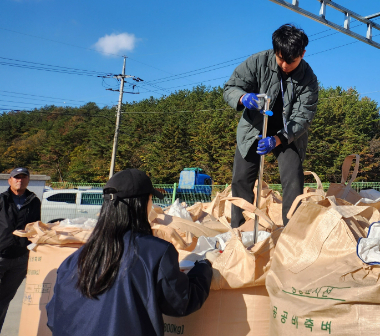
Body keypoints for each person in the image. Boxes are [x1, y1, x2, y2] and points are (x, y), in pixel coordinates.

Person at [47, 169, 214, 336]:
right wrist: (204, 267)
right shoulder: (156, 253)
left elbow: (53, 317)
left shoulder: (74, 259)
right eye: (151, 200)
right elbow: (180, 303)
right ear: (141, 204)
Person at [224, 24, 319, 227]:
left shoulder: (308, 78)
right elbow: (230, 87)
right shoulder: (258, 61)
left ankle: (291, 232)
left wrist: (278, 139)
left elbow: (303, 117)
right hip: (253, 129)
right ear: (275, 51)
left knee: (293, 178)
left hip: (288, 134)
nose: (284, 65)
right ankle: (240, 231)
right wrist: (242, 97)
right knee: (241, 178)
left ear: (302, 54)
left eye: (291, 61)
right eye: (280, 58)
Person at [0, 167, 41, 331]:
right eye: (16, 177)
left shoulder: (34, 201)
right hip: (1, 255)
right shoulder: (2, 200)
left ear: (28, 180)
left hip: (20, 259)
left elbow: (36, 226)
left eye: (24, 177)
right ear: (10, 180)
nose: (20, 180)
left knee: (4, 300)